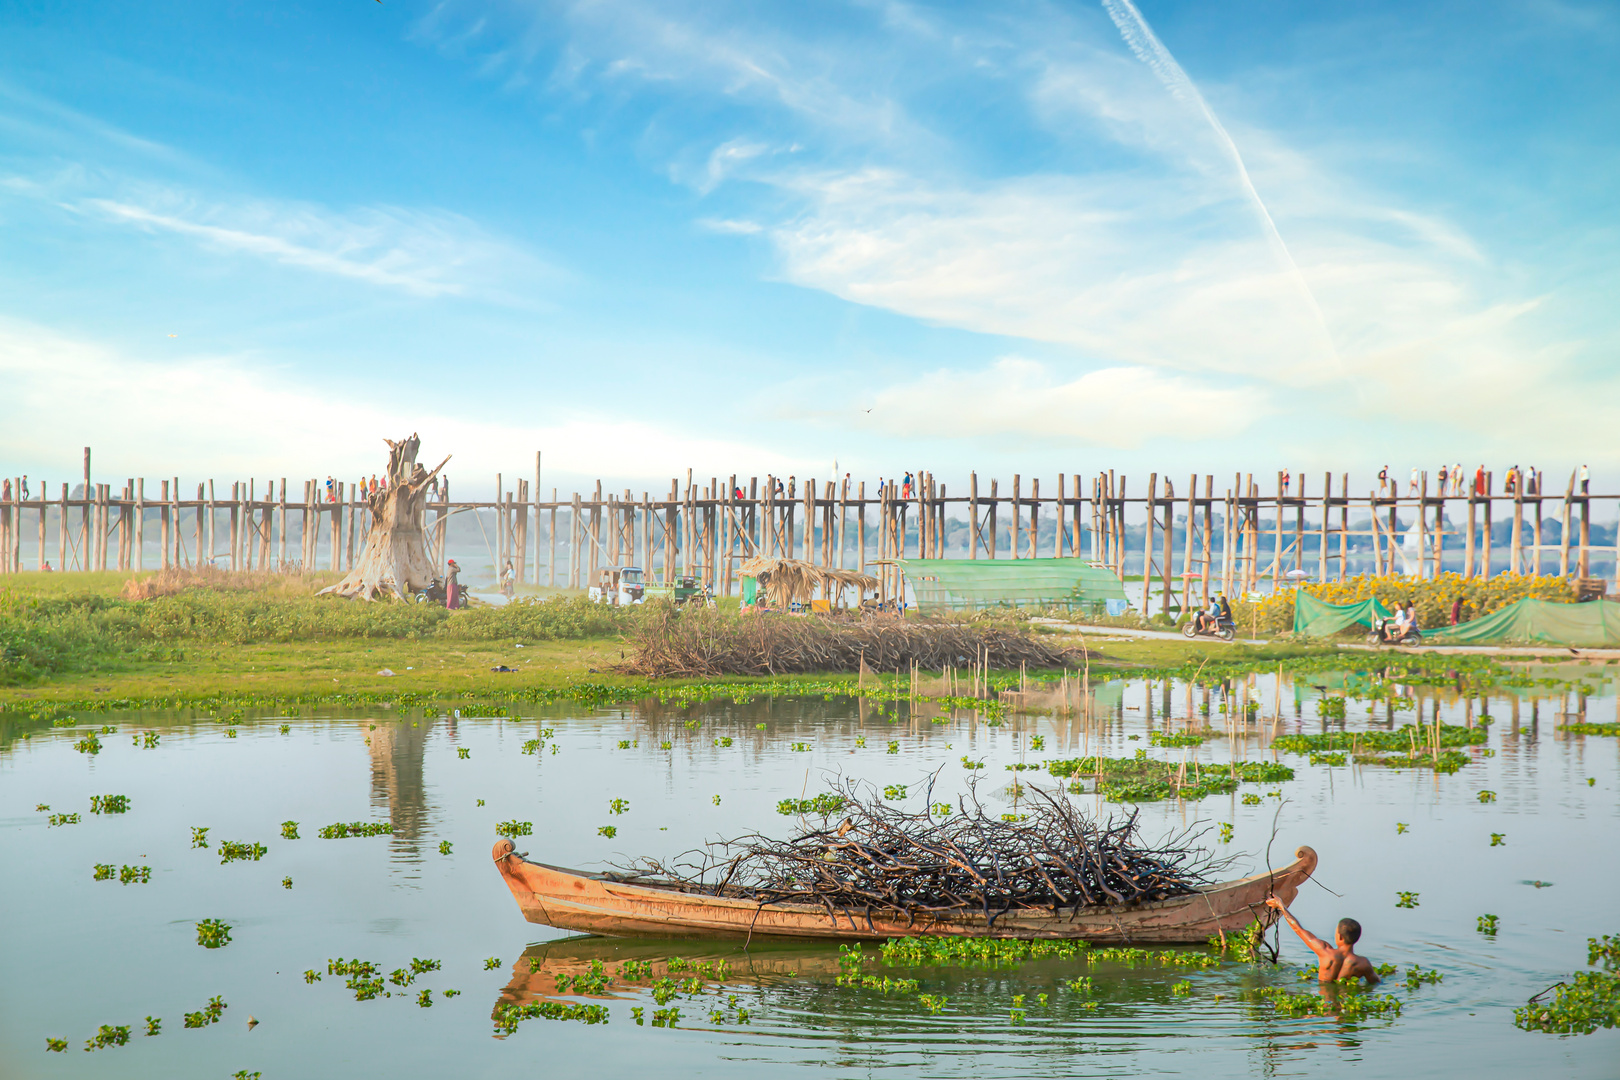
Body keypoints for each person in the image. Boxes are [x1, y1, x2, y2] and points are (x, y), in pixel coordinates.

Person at [1264, 897, 1380, 985]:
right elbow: (1375, 982)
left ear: (1339, 937)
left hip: (1323, 1002)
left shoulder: (1325, 952)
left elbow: (1298, 929)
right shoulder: (1363, 964)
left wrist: (1281, 906)